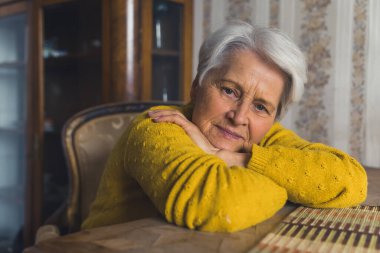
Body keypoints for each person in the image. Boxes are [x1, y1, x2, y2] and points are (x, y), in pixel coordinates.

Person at [82, 21, 367, 232]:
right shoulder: (157, 126)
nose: (240, 116)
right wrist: (292, 185)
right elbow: (220, 207)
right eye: (229, 91)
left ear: (273, 119)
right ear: (196, 87)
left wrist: (234, 158)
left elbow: (351, 179)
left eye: (260, 107)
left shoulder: (259, 139)